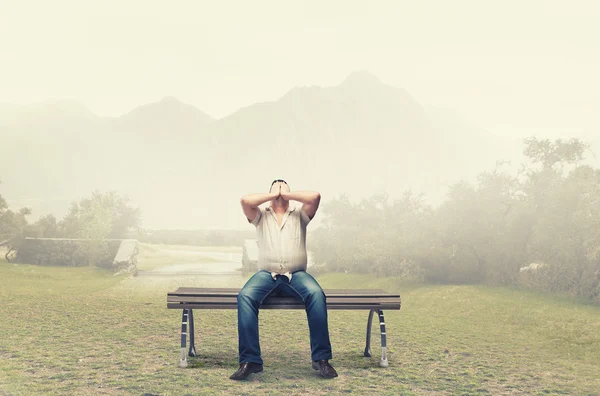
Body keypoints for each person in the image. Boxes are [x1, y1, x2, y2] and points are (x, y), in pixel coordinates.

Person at [230, 179, 338, 380]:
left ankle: (321, 359)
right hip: (266, 274)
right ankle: (250, 360)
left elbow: (315, 196)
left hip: (296, 274)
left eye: (283, 188)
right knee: (245, 296)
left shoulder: (301, 214)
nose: (279, 191)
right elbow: (245, 200)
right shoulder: (260, 215)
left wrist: (286, 195)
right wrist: (273, 195)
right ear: (268, 194)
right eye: (275, 188)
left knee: (316, 294)